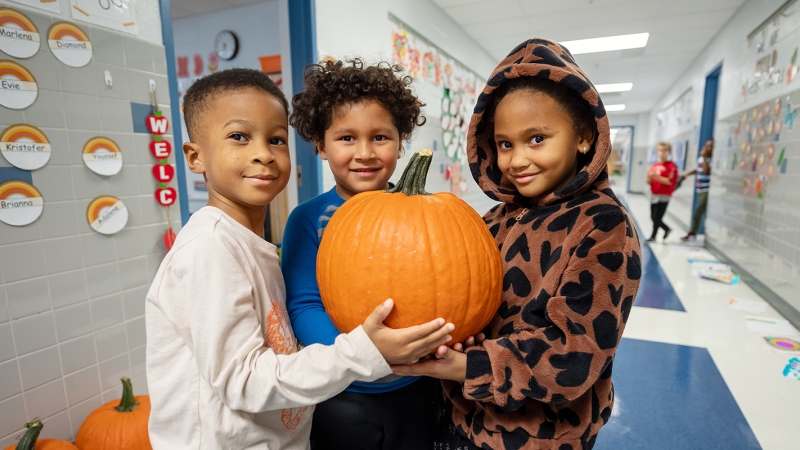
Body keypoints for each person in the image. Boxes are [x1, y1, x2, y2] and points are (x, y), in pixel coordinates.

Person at [144, 68, 454, 449]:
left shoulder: (252, 248)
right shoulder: (209, 250)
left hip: (314, 413)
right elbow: (247, 374)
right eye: (239, 137)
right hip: (330, 395)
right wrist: (366, 355)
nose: (262, 154)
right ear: (194, 157)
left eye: (276, 140)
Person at [393, 39, 642, 449]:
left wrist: (465, 365)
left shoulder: (603, 226)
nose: (517, 160)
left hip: (540, 437)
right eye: (506, 144)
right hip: (465, 420)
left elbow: (572, 356)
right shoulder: (493, 220)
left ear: (582, 136)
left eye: (537, 139)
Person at [281, 58, 440, 450]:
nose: (365, 152)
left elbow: (441, 283)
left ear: (401, 142)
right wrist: (363, 354)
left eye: (380, 137)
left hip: (418, 387)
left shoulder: (427, 215)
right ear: (321, 145)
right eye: (347, 138)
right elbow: (303, 305)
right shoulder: (307, 219)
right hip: (342, 394)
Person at [681, 138, 713, 241]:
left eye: (710, 146)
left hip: (706, 190)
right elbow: (697, 170)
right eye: (706, 145)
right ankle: (694, 231)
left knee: (698, 211)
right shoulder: (700, 159)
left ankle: (692, 232)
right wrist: (687, 174)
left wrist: (704, 157)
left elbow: (705, 172)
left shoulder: (710, 160)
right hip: (700, 189)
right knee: (700, 211)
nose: (706, 148)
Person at [646, 142, 679, 242]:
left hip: (664, 195)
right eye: (660, 150)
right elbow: (648, 181)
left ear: (669, 152)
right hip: (654, 194)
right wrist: (650, 178)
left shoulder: (672, 166)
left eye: (665, 150)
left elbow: (669, 182)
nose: (662, 153)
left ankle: (653, 236)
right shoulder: (654, 165)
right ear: (657, 153)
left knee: (657, 217)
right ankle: (667, 229)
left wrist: (655, 176)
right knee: (652, 216)